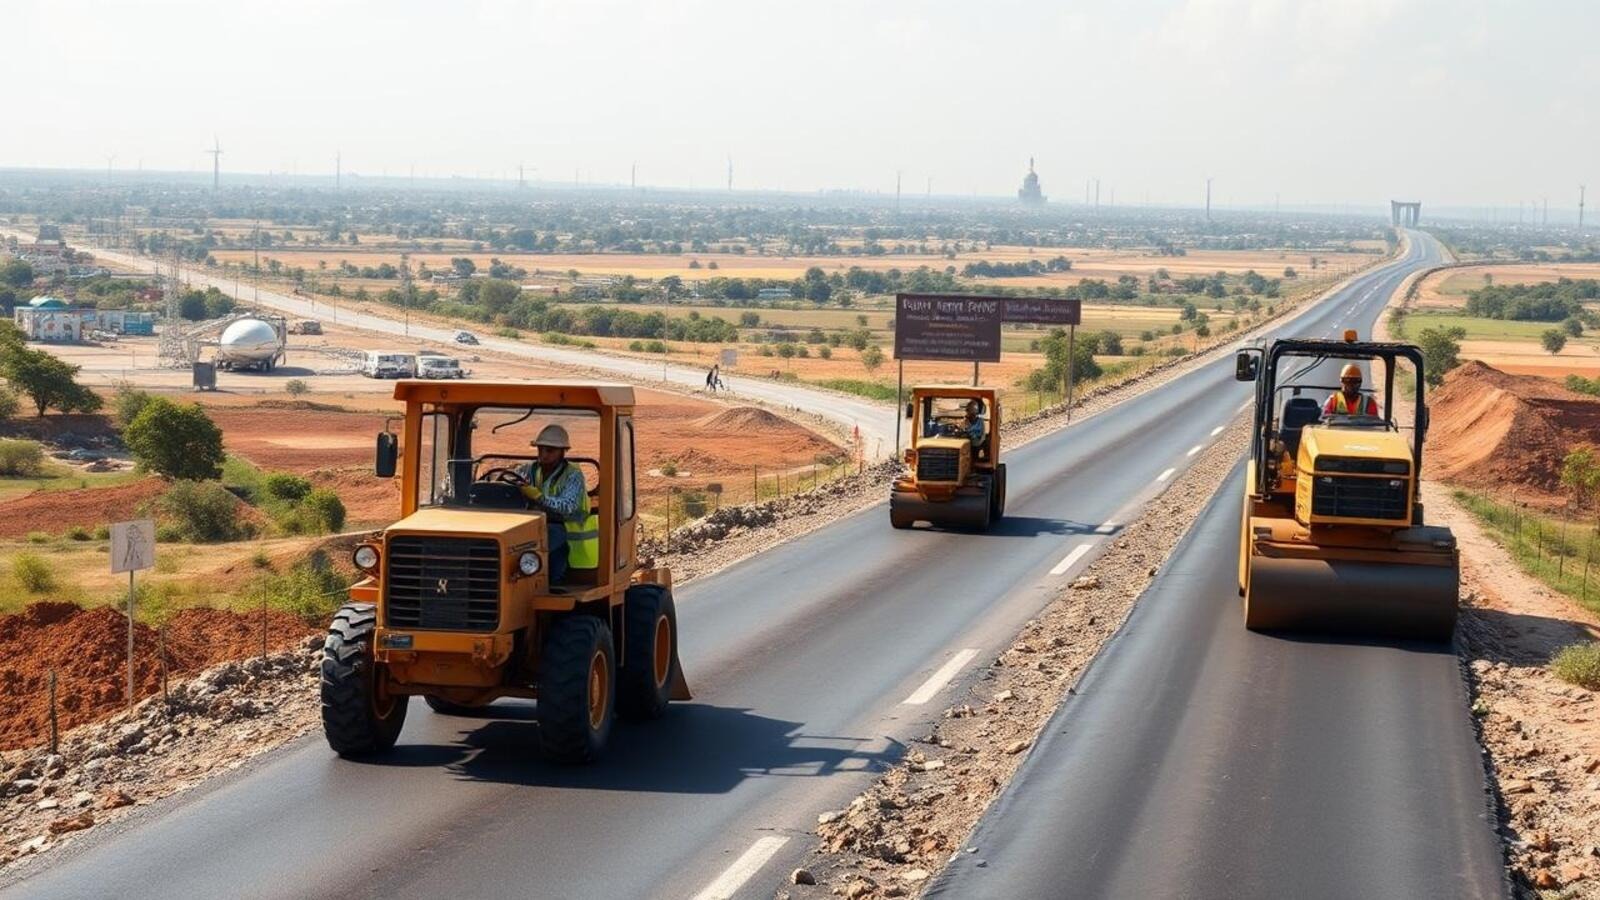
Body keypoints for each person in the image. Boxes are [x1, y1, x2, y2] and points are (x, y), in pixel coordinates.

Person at [517, 424, 595, 582]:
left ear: (562, 452)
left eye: (550, 450)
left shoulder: (573, 475)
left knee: (548, 538)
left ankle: (549, 581)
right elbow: (514, 483)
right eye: (541, 449)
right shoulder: (528, 470)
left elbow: (567, 506)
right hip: (530, 524)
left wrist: (538, 497)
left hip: (564, 527)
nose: (543, 455)